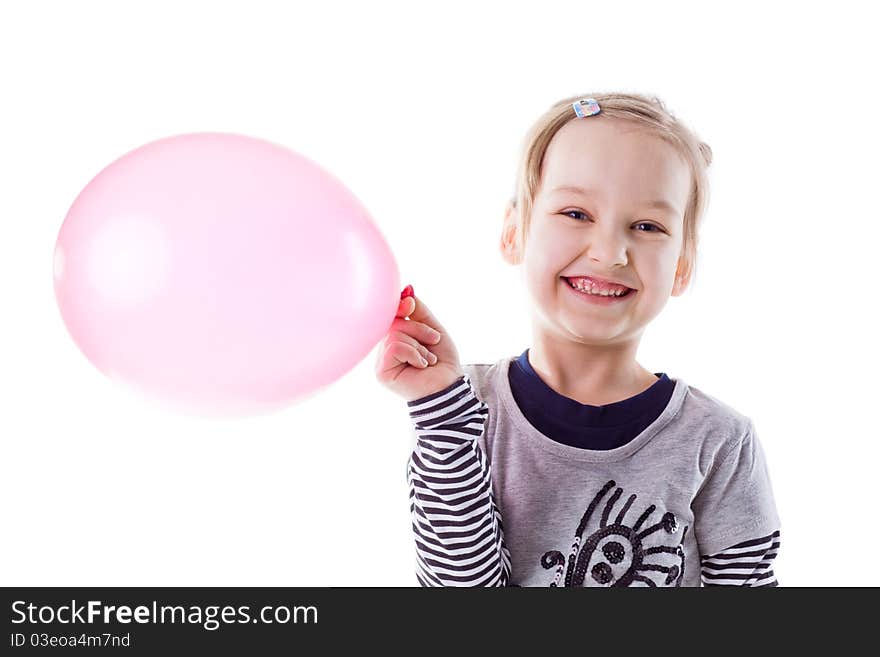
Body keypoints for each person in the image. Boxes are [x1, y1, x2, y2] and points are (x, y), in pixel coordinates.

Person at [375, 93, 781, 587]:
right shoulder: (463, 411)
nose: (610, 252)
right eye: (575, 214)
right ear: (515, 232)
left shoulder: (720, 442)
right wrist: (442, 410)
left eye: (647, 226)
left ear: (681, 266)